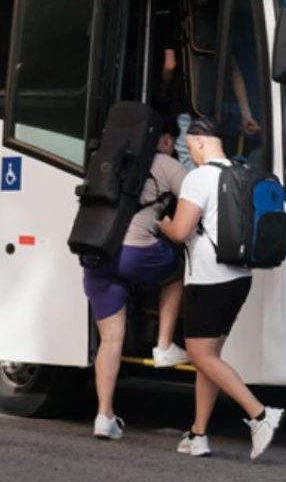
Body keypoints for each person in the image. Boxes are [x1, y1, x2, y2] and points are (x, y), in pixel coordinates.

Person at [158, 118, 284, 460]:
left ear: (198, 143)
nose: (190, 154)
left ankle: (260, 415)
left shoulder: (199, 178)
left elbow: (181, 231)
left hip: (208, 281)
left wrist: (162, 223)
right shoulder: (242, 171)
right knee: (210, 359)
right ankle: (198, 434)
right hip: (239, 278)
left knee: (200, 356)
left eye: (189, 147)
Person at [82, 119, 189, 441]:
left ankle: (104, 415)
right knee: (176, 271)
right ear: (165, 138)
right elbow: (197, 201)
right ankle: (164, 345)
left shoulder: (105, 158)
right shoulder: (167, 163)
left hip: (96, 254)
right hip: (135, 254)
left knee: (111, 340)